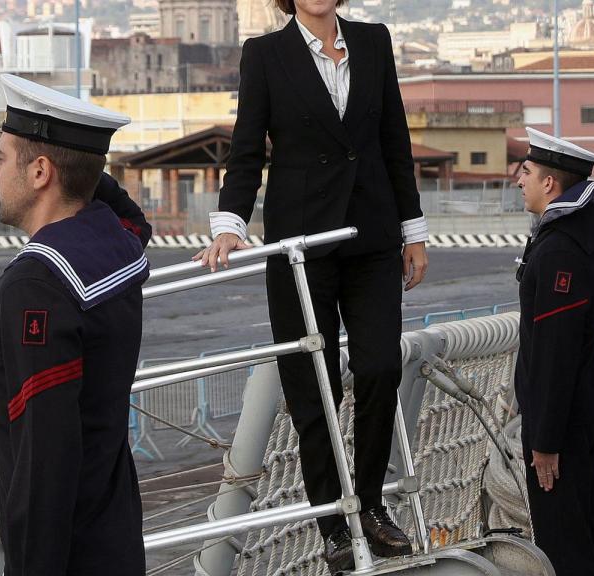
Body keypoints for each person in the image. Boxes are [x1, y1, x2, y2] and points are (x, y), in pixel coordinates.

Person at [196, 0, 428, 572]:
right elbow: (246, 148)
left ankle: (369, 504)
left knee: (380, 367)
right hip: (301, 246)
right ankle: (333, 523)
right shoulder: (265, 54)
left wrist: (413, 231)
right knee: (313, 386)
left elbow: (393, 139)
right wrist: (230, 224)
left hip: (372, 237)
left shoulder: (374, 41)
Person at [0, 73, 149, 576]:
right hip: (115, 534)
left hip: (69, 556)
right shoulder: (114, 247)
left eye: (0, 158)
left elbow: (44, 459)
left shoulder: (38, 285)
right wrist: (81, 160)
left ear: (39, 172)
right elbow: (133, 220)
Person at [514, 127, 594, 575]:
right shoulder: (579, 237)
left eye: (527, 171)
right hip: (579, 412)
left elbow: (556, 352)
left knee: (565, 544)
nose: (519, 180)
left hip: (561, 425)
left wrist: (545, 442)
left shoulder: (560, 250)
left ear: (549, 183)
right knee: (589, 531)